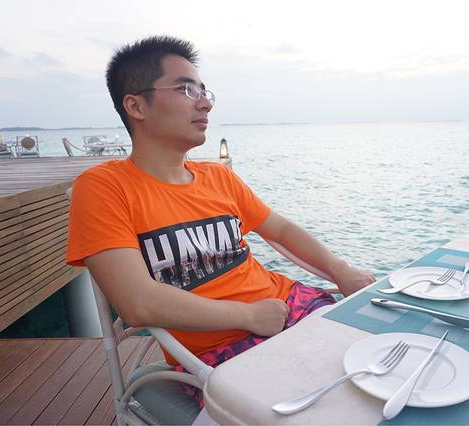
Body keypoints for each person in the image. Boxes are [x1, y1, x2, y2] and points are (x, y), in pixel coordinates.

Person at [66, 35, 375, 402]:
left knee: (381, 363)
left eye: (204, 91)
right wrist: (247, 316)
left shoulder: (218, 177)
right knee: (333, 402)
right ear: (136, 105)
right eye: (186, 89)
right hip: (220, 352)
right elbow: (138, 302)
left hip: (293, 304)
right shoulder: (103, 187)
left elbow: (281, 229)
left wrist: (341, 271)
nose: (205, 103)